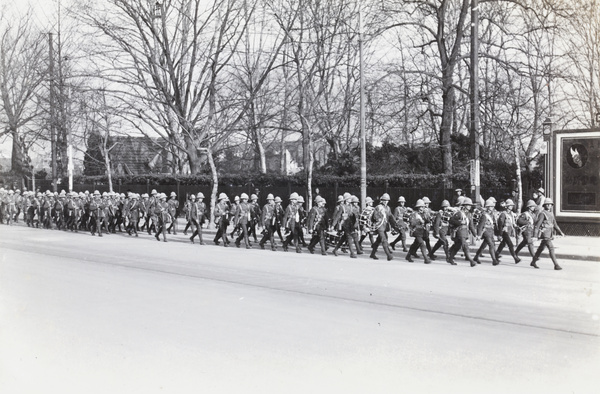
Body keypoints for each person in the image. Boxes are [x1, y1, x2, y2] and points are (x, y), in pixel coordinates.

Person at [531, 198, 565, 270]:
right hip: (545, 233)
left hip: (550, 233)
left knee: (541, 248)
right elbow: (537, 225)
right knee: (551, 248)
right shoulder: (542, 214)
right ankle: (556, 265)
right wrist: (535, 235)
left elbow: (554, 224)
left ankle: (533, 261)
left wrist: (560, 232)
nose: (549, 206)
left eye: (550, 204)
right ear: (544, 205)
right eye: (547, 204)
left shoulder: (551, 213)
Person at [447, 197, 477, 266]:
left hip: (465, 232)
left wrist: (475, 235)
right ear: (465, 205)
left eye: (470, 205)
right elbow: (451, 220)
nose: (469, 206)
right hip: (460, 232)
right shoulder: (459, 213)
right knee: (465, 246)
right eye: (468, 205)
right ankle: (471, 261)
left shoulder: (469, 214)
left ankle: (450, 258)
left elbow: (471, 226)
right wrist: (460, 222)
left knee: (457, 246)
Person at [370, 193, 397, 261]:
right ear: (381, 200)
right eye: (384, 200)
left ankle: (372, 254)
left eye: (387, 200)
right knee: (384, 240)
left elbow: (390, 217)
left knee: (379, 240)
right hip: (379, 226)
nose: (386, 201)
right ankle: (388, 255)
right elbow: (374, 217)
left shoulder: (388, 208)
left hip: (385, 226)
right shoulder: (378, 207)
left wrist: (395, 225)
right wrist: (378, 218)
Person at [473, 198, 499, 265]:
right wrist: (478, 235)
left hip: (491, 231)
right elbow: (480, 225)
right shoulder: (484, 215)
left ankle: (476, 257)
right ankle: (494, 260)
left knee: (484, 245)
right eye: (491, 206)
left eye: (493, 206)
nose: (492, 207)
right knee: (491, 245)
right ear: (487, 207)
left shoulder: (492, 214)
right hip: (486, 231)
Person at [406, 199, 432, 264]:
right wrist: (419, 221)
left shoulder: (424, 214)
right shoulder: (414, 214)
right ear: (418, 207)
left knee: (415, 244)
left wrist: (427, 218)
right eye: (421, 207)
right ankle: (426, 259)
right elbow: (412, 223)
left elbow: (428, 221)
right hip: (416, 231)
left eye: (423, 207)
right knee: (422, 244)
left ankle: (408, 255)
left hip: (422, 232)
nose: (422, 208)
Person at [331, 194, 357, 258]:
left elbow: (354, 217)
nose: (350, 200)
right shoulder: (342, 207)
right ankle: (352, 253)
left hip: (350, 225)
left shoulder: (351, 206)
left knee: (343, 238)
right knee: (349, 238)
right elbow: (337, 216)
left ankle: (335, 249)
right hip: (344, 225)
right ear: (346, 200)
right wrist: (333, 225)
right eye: (349, 199)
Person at [495, 199, 521, 264]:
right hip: (504, 231)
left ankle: (496, 254)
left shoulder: (511, 214)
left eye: (512, 205)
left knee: (503, 244)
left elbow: (512, 222)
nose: (511, 206)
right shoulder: (503, 214)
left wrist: (516, 226)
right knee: (510, 244)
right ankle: (515, 258)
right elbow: (500, 224)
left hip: (509, 231)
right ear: (507, 206)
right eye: (510, 205)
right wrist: (500, 234)